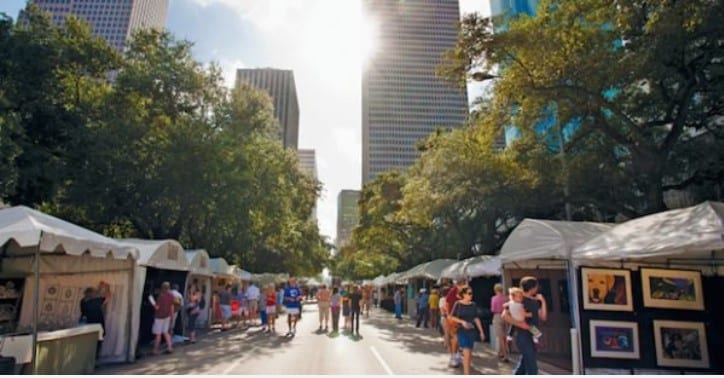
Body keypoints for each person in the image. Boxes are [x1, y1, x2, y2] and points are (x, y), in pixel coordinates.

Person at [502, 276, 547, 375]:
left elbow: (543, 317)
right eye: (536, 286)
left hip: (532, 333)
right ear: (533, 288)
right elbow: (504, 315)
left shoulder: (535, 301)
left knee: (523, 365)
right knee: (532, 367)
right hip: (522, 335)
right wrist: (520, 324)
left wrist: (543, 301)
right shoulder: (518, 299)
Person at [448, 286, 486, 375]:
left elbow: (476, 318)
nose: (471, 295)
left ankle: (466, 371)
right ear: (463, 294)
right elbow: (451, 317)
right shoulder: (458, 304)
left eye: (471, 293)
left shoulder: (473, 305)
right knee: (467, 351)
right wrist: (462, 322)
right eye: (469, 293)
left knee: (469, 354)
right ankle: (466, 374)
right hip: (461, 330)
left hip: (471, 331)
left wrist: (481, 332)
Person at [80, 281, 111, 357]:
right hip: (97, 326)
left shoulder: (83, 302)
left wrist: (99, 287)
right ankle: (94, 360)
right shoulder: (95, 301)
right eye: (93, 293)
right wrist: (107, 288)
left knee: (90, 345)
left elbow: (95, 294)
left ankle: (90, 359)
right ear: (91, 294)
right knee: (97, 344)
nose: (95, 294)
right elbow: (108, 298)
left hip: (88, 326)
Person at [446, 279, 467, 368]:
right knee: (455, 338)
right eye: (464, 284)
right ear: (459, 285)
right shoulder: (452, 292)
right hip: (453, 319)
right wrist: (448, 315)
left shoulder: (464, 292)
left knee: (459, 338)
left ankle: (457, 355)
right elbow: (447, 303)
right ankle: (454, 356)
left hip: (461, 318)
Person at [152, 282, 175, 355]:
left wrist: (153, 303)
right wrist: (172, 316)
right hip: (167, 316)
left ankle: (155, 350)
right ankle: (170, 347)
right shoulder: (171, 296)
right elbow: (172, 307)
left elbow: (157, 307)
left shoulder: (161, 296)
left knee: (158, 334)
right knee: (166, 332)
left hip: (159, 317)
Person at [490, 283, 510, 362]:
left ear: (495, 290)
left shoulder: (494, 298)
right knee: (505, 336)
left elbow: (493, 309)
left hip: (498, 316)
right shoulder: (506, 298)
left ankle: (505, 355)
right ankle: (502, 352)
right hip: (506, 316)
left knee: (500, 337)